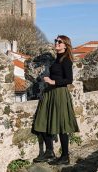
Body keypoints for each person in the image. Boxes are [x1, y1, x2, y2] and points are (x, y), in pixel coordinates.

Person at [32, 35, 79, 165]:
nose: (57, 43)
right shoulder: (56, 59)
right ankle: (49, 152)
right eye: (56, 41)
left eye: (60, 42)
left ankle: (65, 156)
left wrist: (53, 81)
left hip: (59, 94)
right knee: (42, 121)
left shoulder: (66, 60)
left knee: (61, 125)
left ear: (65, 45)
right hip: (50, 94)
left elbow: (69, 80)